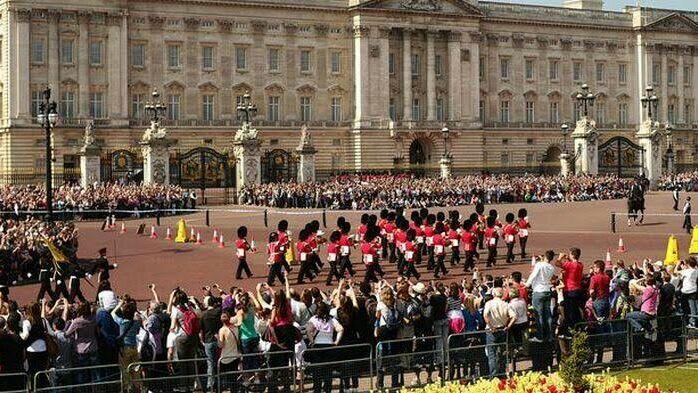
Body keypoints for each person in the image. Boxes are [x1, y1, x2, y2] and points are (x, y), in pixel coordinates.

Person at [482, 288, 515, 377]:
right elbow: (514, 317)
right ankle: (502, 373)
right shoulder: (505, 304)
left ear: (493, 294)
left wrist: (491, 326)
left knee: (492, 354)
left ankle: (493, 375)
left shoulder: (489, 303)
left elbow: (485, 316)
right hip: (502, 329)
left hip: (491, 330)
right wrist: (508, 326)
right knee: (502, 353)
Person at [525, 250, 556, 342]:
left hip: (538, 291)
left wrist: (526, 285)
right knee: (548, 314)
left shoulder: (539, 264)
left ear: (545, 256)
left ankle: (540, 336)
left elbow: (533, 275)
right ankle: (550, 335)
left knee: (539, 315)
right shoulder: (551, 267)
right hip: (547, 290)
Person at [555, 248, 585, 333]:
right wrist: (568, 259)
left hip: (569, 290)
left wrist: (560, 257)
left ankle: (571, 329)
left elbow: (557, 263)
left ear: (572, 255)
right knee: (575, 310)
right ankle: (578, 327)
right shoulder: (580, 264)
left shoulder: (570, 265)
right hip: (577, 289)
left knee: (569, 311)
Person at [674, 258, 698, 328]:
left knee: (685, 307)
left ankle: (688, 321)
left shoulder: (686, 271)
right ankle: (693, 322)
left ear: (687, 264)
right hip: (694, 291)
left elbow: (675, 271)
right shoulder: (696, 271)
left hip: (685, 292)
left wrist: (678, 264)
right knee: (694, 307)